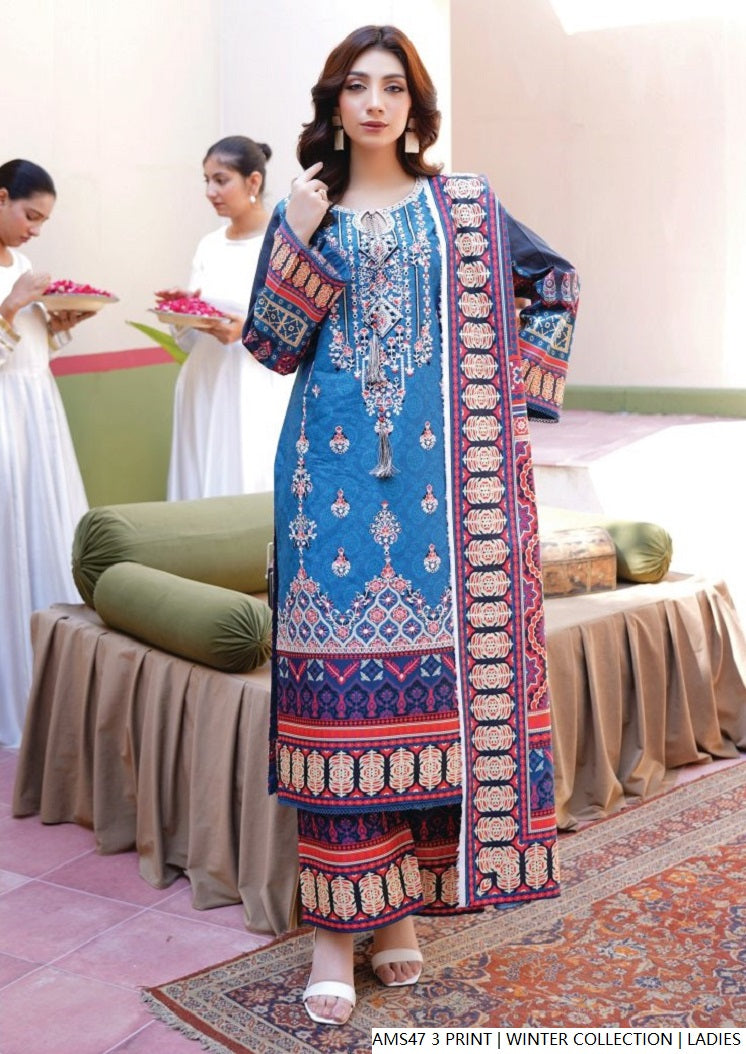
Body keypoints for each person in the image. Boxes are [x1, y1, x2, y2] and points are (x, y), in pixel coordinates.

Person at [242, 26, 580, 1026]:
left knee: (431, 699)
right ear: (334, 103)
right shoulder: (305, 210)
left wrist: (501, 402)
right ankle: (331, 935)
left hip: (446, 500)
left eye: (392, 87)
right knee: (339, 706)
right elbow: (270, 344)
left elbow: (552, 284)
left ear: (414, 106)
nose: (375, 102)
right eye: (357, 86)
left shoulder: (460, 205)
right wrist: (297, 232)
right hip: (328, 490)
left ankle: (399, 921)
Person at [0, 158, 93, 747]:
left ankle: (51, 686)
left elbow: (30, 351)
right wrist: (10, 306)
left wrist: (56, 325)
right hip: (5, 418)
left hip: (40, 410)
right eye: (30, 216)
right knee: (10, 535)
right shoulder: (17, 279)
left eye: (43, 221)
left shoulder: (23, 266)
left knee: (47, 532)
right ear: (1, 198)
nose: (35, 230)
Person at [158, 136, 292, 500]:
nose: (210, 192)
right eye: (207, 180)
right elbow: (189, 340)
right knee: (200, 486)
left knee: (248, 477)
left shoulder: (282, 242)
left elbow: (298, 327)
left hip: (254, 384)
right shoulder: (209, 245)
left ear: (253, 182)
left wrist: (246, 330)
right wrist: (185, 311)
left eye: (221, 180)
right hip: (204, 379)